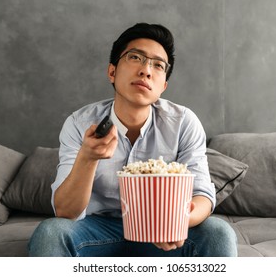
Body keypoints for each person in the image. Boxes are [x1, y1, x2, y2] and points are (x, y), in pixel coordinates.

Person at [28, 23, 237, 257]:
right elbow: (65, 212)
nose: (146, 70)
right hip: (96, 230)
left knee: (218, 232)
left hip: (161, 229)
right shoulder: (79, 123)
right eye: (135, 57)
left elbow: (202, 196)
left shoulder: (184, 123)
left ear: (163, 86)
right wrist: (88, 157)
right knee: (50, 232)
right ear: (112, 72)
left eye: (158, 65)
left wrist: (179, 222)